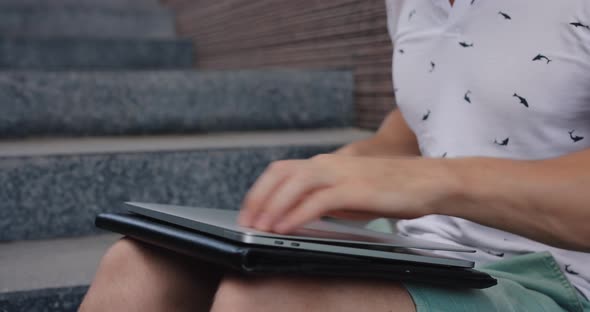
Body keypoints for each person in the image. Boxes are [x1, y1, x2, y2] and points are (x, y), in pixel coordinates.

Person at [79, 0, 590, 311]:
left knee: (266, 300)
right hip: (429, 256)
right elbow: (427, 120)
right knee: (137, 264)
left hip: (559, 281)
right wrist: (335, 175)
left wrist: (435, 181)